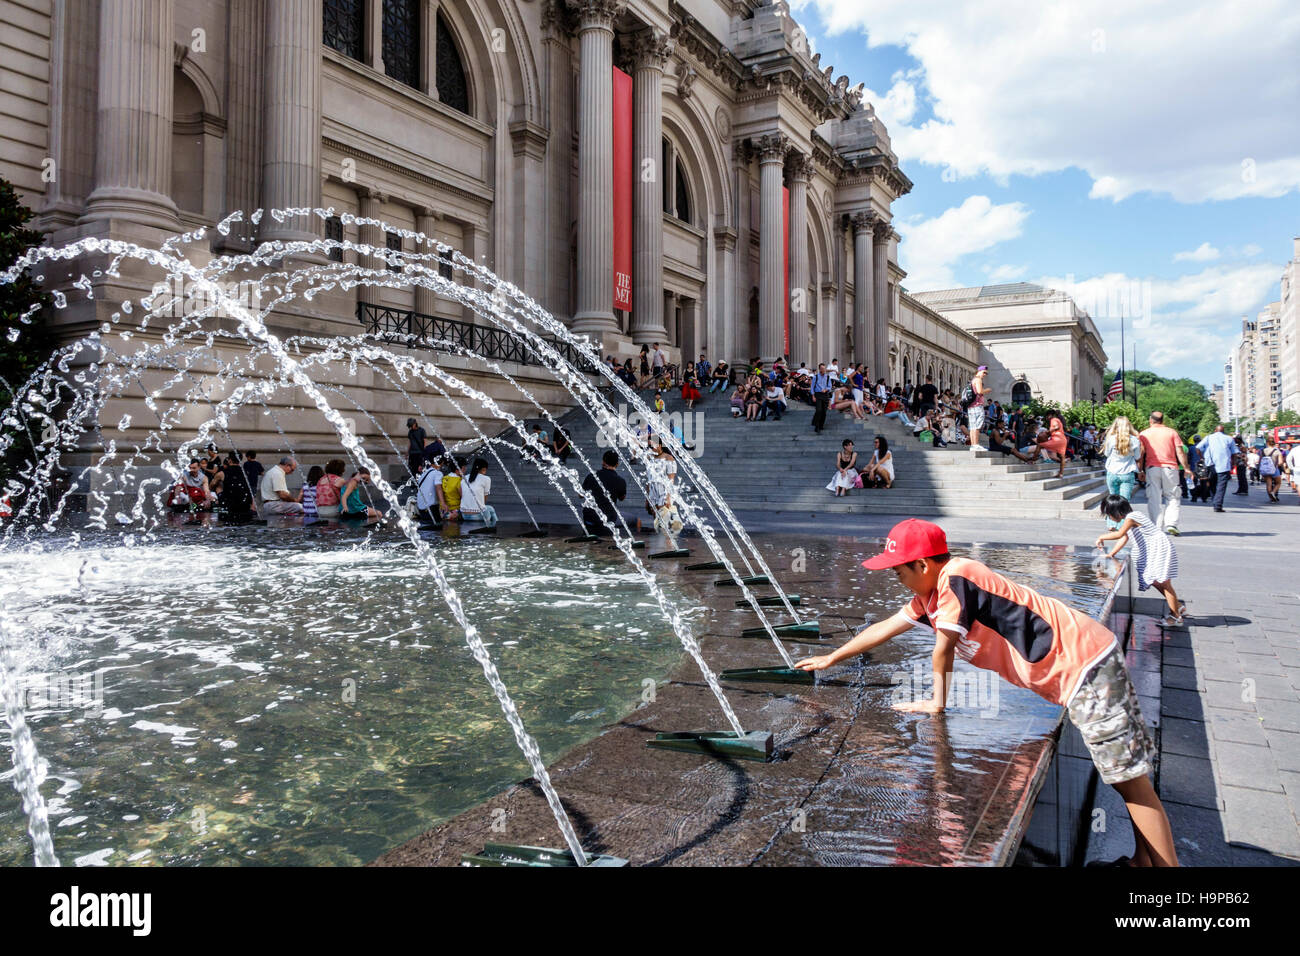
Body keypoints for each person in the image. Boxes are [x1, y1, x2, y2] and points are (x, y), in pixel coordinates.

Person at [795, 518, 1177, 868]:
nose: (897, 579)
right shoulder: (931, 597)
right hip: (1080, 667)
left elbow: (942, 650)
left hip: (1084, 665)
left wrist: (935, 703)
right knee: (1125, 776)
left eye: (899, 571)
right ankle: (1142, 862)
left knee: (1131, 781)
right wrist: (833, 656)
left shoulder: (957, 576)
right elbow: (886, 626)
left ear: (923, 565)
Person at [1096, 495, 1185, 626]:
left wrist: (1101, 537)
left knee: (1164, 583)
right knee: (1155, 581)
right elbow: (1124, 538)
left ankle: (1176, 617)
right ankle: (1177, 606)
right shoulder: (1129, 519)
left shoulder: (1132, 517)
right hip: (1153, 550)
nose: (1109, 517)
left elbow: (1119, 534)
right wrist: (1111, 554)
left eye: (1108, 514)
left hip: (1158, 549)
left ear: (1115, 511)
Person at [1139, 411, 1189, 531]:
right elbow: (1180, 452)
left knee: (1153, 497)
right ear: (1163, 420)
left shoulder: (1144, 434)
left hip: (1152, 468)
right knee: (1173, 496)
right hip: (1170, 468)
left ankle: (1155, 525)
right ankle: (1171, 523)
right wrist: (1186, 467)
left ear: (1150, 420)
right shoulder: (1172, 432)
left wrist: (1140, 470)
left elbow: (1141, 453)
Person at [1194, 425, 1237, 515]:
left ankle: (1215, 501)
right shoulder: (1229, 439)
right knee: (1221, 485)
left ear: (1215, 430)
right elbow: (1234, 453)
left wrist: (1202, 458)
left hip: (1210, 464)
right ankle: (1218, 505)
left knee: (1212, 484)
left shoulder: (1208, 438)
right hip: (1224, 465)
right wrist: (1233, 463)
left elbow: (1197, 448)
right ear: (1223, 431)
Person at [582, 450, 629, 532]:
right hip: (607, 521)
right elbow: (621, 498)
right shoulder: (620, 481)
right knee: (636, 520)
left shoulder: (592, 476)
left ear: (603, 461)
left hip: (589, 519)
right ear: (617, 464)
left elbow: (581, 495)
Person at [1101, 416, 1140, 500]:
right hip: (1127, 472)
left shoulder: (1111, 439)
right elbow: (1137, 457)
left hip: (1112, 471)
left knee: (1113, 500)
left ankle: (1111, 513)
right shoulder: (1134, 440)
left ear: (1115, 426)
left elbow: (1107, 454)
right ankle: (1123, 513)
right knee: (1125, 501)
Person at [459, 458, 498, 525]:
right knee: (490, 510)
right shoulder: (486, 479)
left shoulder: (464, 478)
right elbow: (484, 500)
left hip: (464, 515)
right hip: (478, 515)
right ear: (484, 469)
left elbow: (462, 495)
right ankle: (492, 527)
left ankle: (492, 526)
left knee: (490, 508)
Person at [413, 456, 444, 525]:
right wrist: (443, 503)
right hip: (431, 507)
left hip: (421, 507)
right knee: (437, 528)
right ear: (441, 463)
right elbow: (438, 488)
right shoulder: (438, 473)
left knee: (427, 528)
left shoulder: (424, 473)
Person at [965, 366, 989, 451]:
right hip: (977, 406)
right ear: (979, 371)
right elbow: (979, 391)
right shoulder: (978, 380)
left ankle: (973, 445)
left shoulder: (973, 380)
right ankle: (975, 444)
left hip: (971, 406)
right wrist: (987, 390)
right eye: (984, 372)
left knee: (972, 427)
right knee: (977, 426)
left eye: (986, 373)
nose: (985, 375)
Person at [810, 363, 833, 433]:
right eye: (822, 368)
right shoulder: (815, 377)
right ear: (819, 369)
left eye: (824, 368)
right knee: (818, 410)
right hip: (818, 395)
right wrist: (813, 396)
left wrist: (826, 389)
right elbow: (812, 387)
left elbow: (830, 386)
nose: (823, 370)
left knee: (824, 412)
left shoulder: (828, 377)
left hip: (825, 395)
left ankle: (821, 425)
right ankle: (817, 426)